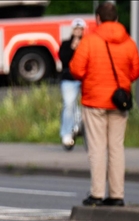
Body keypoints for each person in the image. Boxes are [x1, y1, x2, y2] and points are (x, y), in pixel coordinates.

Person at [70, 2, 139, 207]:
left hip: (94, 101)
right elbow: (136, 71)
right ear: (117, 19)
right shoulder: (128, 42)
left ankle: (97, 193)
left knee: (97, 148)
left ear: (98, 19)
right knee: (116, 148)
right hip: (120, 102)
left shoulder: (89, 41)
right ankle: (117, 195)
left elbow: (76, 69)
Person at [59, 18, 86, 150]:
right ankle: (66, 134)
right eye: (76, 29)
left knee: (86, 106)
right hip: (69, 79)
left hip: (84, 79)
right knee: (69, 104)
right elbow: (63, 59)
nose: (78, 31)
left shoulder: (87, 43)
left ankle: (79, 127)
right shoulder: (66, 44)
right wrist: (72, 47)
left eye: (80, 29)